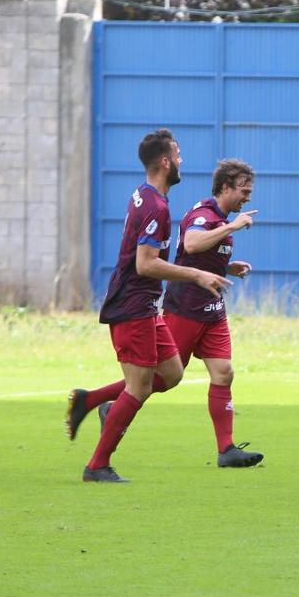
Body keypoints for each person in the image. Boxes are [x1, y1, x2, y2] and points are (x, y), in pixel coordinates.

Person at [65, 128, 229, 483]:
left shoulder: (145, 195)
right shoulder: (156, 206)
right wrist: (196, 276)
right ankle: (97, 466)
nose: (183, 161)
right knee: (138, 387)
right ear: (165, 161)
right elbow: (145, 264)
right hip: (133, 306)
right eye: (179, 155)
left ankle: (93, 401)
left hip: (147, 306)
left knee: (171, 373)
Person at [161, 159, 263, 468]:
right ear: (226, 187)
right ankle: (107, 404)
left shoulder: (218, 217)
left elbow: (203, 255)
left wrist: (227, 266)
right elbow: (191, 244)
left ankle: (226, 449)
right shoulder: (204, 215)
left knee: (224, 372)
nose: (247, 197)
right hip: (186, 309)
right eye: (243, 191)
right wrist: (233, 226)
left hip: (212, 311)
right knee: (160, 379)